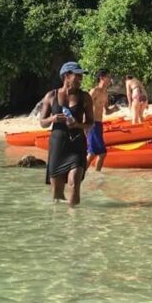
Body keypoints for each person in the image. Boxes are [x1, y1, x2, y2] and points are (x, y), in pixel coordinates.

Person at [40, 61, 95, 205]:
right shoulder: (51, 96)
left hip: (76, 143)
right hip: (58, 145)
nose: (81, 79)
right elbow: (42, 122)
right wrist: (53, 118)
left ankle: (74, 221)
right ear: (66, 76)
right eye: (77, 76)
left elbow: (91, 122)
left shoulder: (85, 97)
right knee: (57, 193)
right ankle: (58, 221)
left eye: (81, 76)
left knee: (74, 183)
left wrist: (77, 124)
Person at [87, 69, 118, 172]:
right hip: (92, 124)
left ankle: (86, 175)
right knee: (99, 153)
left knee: (94, 153)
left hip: (99, 124)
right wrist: (85, 126)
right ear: (102, 78)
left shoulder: (106, 93)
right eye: (108, 77)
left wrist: (113, 109)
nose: (110, 80)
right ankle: (83, 175)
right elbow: (84, 107)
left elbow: (106, 111)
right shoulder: (94, 91)